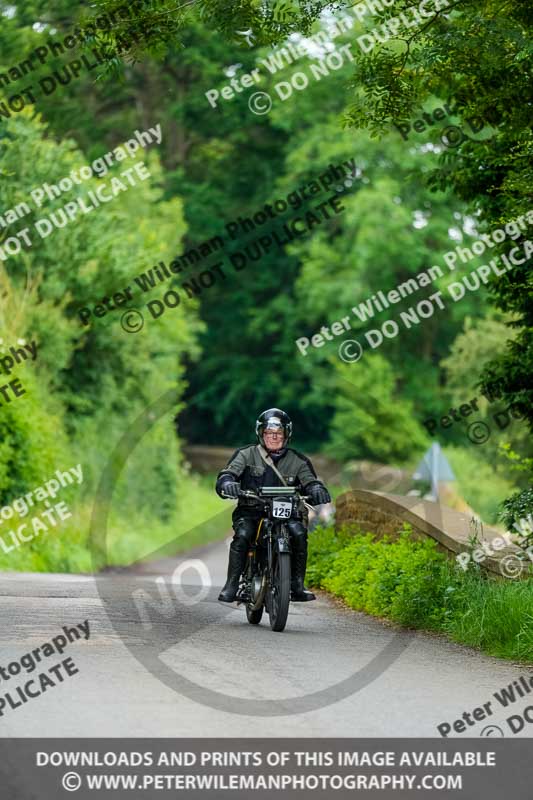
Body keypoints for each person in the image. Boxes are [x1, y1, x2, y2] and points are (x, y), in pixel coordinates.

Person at [216, 408, 331, 603]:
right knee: (243, 535)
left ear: (286, 434)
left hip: (287, 513)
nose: (274, 437)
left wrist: (316, 489)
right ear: (261, 433)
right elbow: (228, 474)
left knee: (299, 534)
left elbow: (310, 481)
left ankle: (296, 584)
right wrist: (227, 483)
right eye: (269, 433)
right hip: (252, 510)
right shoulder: (246, 454)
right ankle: (232, 583)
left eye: (278, 433)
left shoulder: (298, 461)